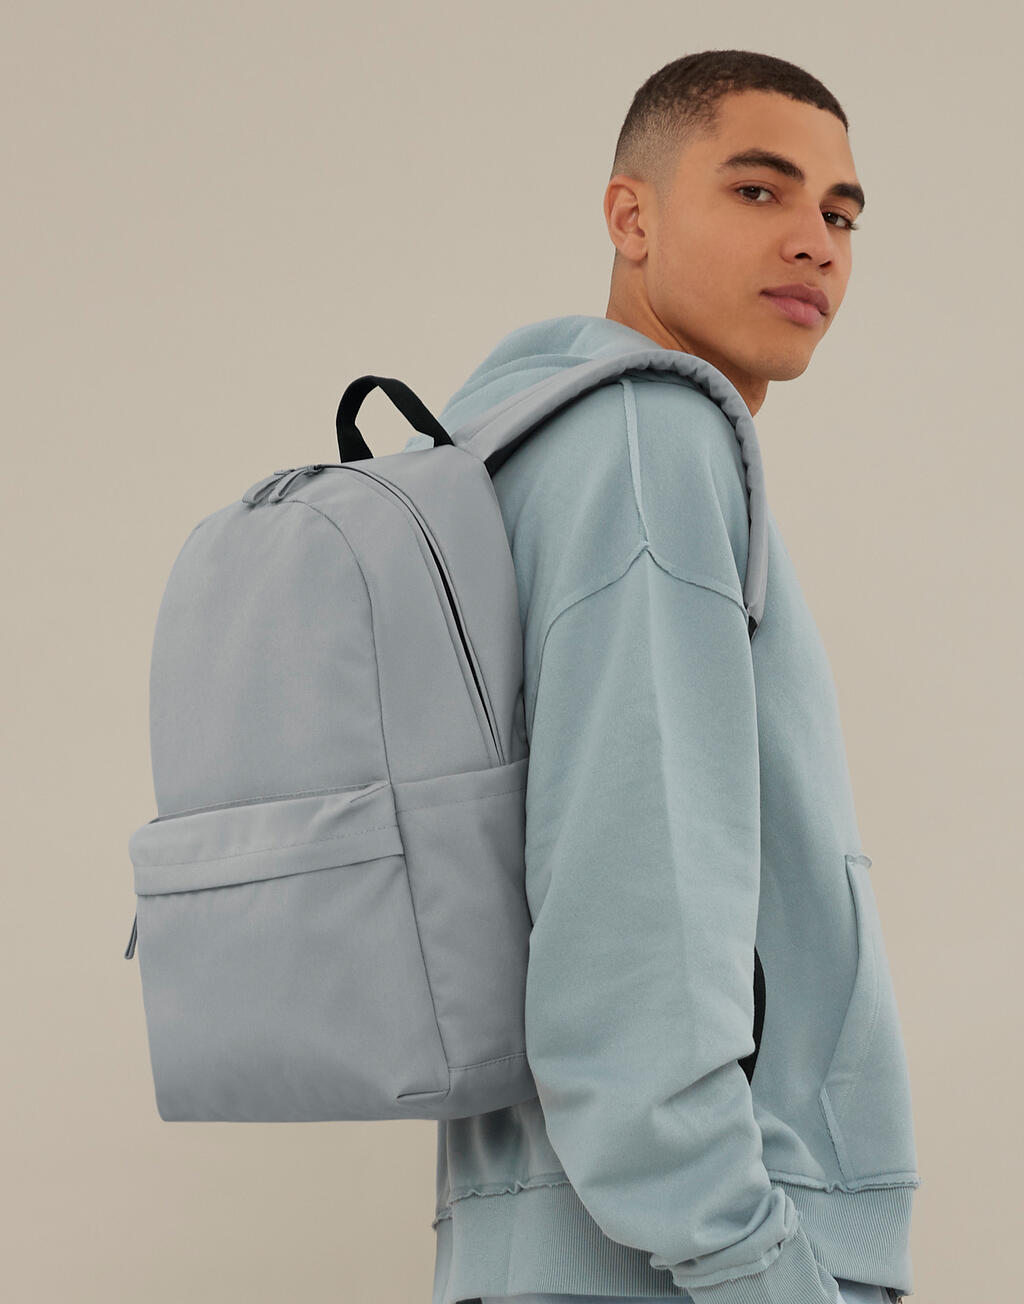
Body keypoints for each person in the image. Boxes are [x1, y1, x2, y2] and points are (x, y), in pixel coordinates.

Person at [403, 48, 919, 1304]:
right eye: (758, 190)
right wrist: (755, 1260)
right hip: (686, 1259)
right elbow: (639, 894)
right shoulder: (651, 439)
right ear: (629, 216)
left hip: (545, 1235)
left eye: (841, 213)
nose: (813, 242)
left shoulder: (527, 445)